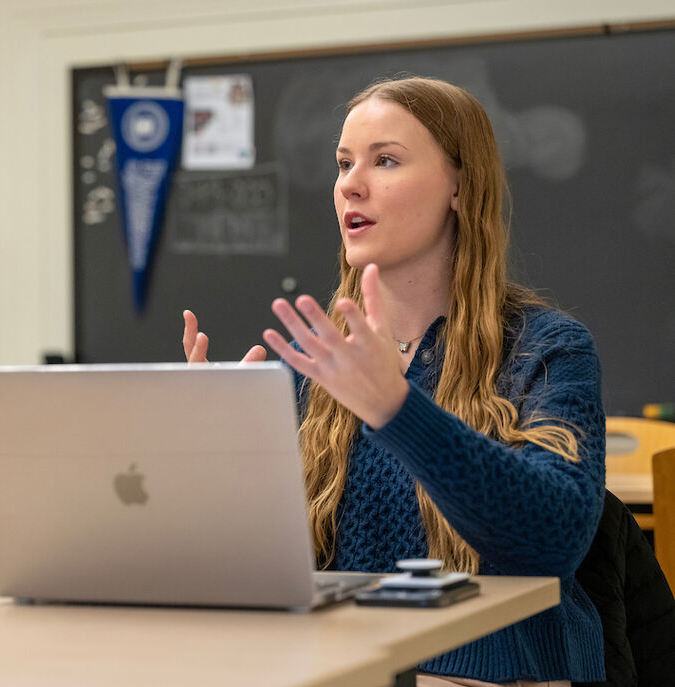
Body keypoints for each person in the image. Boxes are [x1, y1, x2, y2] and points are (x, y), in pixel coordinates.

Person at [183, 77, 605, 685]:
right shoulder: (312, 362)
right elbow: (271, 574)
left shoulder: (546, 350)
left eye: (385, 161)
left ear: (461, 186)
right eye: (344, 163)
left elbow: (552, 541)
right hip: (336, 669)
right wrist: (211, 464)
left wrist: (397, 408)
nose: (350, 184)